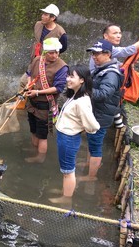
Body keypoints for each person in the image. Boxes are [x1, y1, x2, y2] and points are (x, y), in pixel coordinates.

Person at [49, 65, 100, 204]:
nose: (68, 79)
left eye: (72, 76)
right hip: (65, 137)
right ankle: (65, 191)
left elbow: (93, 126)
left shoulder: (82, 102)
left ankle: (66, 199)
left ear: (82, 80)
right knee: (66, 169)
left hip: (69, 138)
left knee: (68, 171)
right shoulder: (75, 95)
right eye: (68, 76)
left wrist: (80, 129)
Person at [88, 25, 139, 128]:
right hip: (97, 85)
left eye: (120, 33)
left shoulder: (108, 50)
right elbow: (128, 50)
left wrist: (126, 65)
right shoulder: (106, 50)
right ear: (105, 36)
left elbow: (114, 62)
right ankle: (117, 124)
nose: (119, 36)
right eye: (115, 33)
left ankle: (118, 124)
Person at [81, 39, 124, 181]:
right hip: (96, 113)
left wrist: (84, 89)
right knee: (91, 141)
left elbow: (104, 95)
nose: (94, 56)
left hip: (101, 115)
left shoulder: (111, 74)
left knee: (96, 147)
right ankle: (88, 164)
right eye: (93, 53)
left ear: (108, 54)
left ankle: (91, 176)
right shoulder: (102, 70)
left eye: (97, 54)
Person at [23, 37, 68, 163]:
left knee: (42, 135)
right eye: (51, 52)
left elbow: (58, 88)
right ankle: (34, 150)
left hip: (45, 104)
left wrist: (37, 92)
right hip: (32, 102)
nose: (55, 55)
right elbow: (29, 74)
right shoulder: (38, 60)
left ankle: (40, 158)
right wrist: (29, 85)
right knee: (33, 129)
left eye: (57, 52)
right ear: (44, 52)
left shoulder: (62, 67)